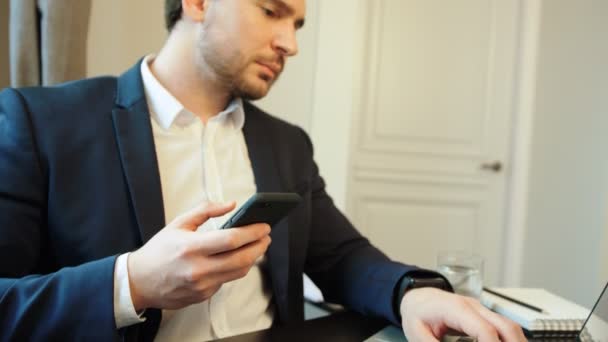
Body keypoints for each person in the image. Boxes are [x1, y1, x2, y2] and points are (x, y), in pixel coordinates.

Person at [0, 0, 526, 341]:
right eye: (272, 11)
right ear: (198, 3)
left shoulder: (286, 144)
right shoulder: (38, 122)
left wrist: (414, 293)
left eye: (295, 25)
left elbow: (341, 257)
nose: (290, 44)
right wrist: (132, 284)